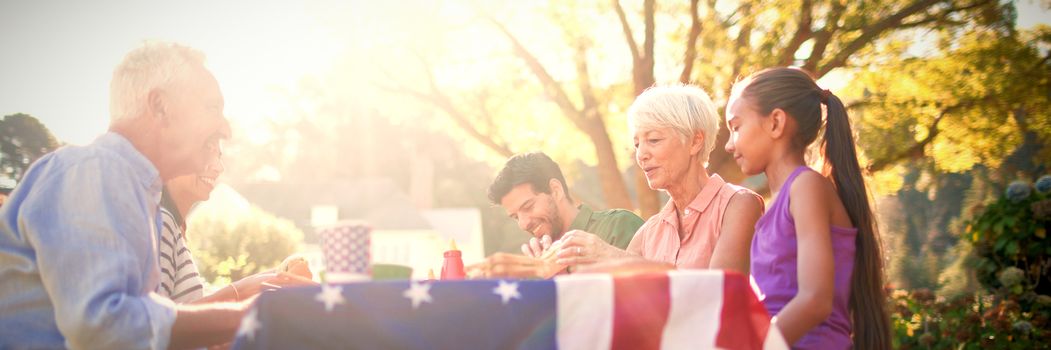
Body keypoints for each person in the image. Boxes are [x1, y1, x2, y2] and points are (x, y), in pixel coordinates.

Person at [0, 42, 251, 349]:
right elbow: (104, 327)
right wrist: (258, 315)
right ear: (160, 106)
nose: (224, 127)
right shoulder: (97, 170)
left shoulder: (134, 191)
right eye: (212, 108)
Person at [724, 67, 890, 348]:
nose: (729, 145)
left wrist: (760, 344)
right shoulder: (775, 203)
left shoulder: (806, 187)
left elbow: (815, 300)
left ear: (775, 122)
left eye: (736, 127)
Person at [553, 85, 763, 275]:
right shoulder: (648, 232)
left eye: (653, 140)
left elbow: (720, 294)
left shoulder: (738, 205)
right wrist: (557, 266)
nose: (641, 154)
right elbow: (619, 304)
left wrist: (614, 256)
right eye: (637, 144)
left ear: (695, 141)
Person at [157, 133, 312, 304]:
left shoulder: (174, 227)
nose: (219, 167)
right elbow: (157, 323)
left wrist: (277, 276)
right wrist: (241, 290)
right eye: (206, 152)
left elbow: (191, 303)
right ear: (172, 155)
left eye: (218, 156)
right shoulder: (161, 224)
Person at [470, 152, 644, 278]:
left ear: (556, 190)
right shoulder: (536, 257)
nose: (523, 224)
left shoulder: (618, 225)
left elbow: (653, 294)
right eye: (516, 217)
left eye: (528, 206)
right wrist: (538, 279)